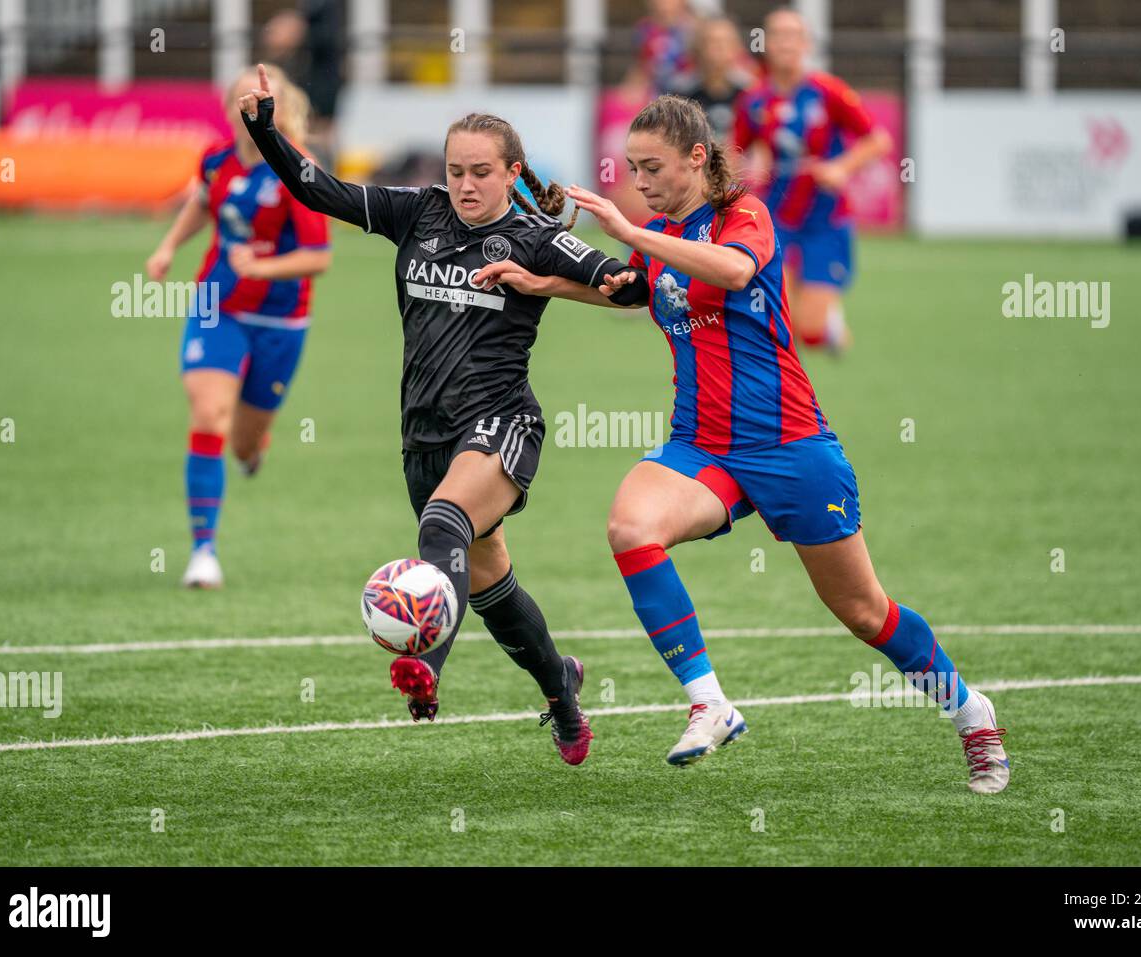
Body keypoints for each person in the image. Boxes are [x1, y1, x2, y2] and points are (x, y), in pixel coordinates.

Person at [480, 94, 1010, 793]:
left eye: (653, 167)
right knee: (630, 526)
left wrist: (629, 229)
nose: (640, 181)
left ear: (697, 157)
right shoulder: (667, 233)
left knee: (864, 611)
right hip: (701, 445)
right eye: (633, 168)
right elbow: (633, 294)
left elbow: (730, 270)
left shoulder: (745, 216)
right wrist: (539, 281)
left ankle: (972, 713)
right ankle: (710, 701)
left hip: (791, 445)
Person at [236, 66, 637, 764]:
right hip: (422, 436)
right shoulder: (417, 211)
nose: (466, 185)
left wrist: (559, 279)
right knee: (492, 589)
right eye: (456, 171)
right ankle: (562, 688)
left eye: (481, 171)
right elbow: (314, 187)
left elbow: (625, 288)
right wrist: (264, 129)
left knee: (444, 522)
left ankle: (428, 670)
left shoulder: (536, 237)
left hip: (502, 422)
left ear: (513, 172)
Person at [146, 64, 331, 590]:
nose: (238, 109)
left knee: (244, 443)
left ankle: (254, 449)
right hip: (216, 303)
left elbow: (318, 257)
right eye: (234, 100)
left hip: (281, 319)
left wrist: (264, 268)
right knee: (209, 414)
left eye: (249, 101)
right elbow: (203, 202)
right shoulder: (216, 159)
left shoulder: (298, 170)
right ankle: (203, 551)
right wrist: (166, 248)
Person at [732, 7, 892, 353]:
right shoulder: (754, 99)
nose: (786, 43)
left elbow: (878, 140)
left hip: (825, 218)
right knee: (778, 320)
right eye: (778, 35)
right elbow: (736, 152)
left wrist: (841, 168)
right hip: (777, 217)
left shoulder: (827, 91)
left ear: (805, 44)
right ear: (766, 44)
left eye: (794, 35)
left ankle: (827, 320)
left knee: (812, 333)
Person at [671, 15, 753, 144]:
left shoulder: (749, 91)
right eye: (713, 42)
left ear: (737, 48)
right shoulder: (681, 93)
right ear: (700, 47)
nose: (720, 48)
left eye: (726, 42)